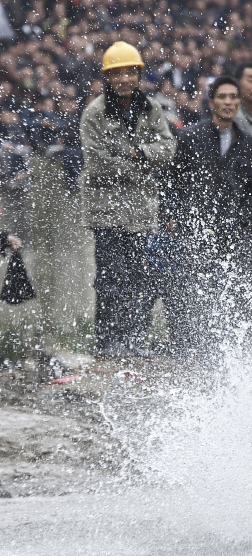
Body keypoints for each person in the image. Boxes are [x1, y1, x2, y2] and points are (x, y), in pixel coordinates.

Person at [80, 41, 176, 357]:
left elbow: (167, 147)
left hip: (139, 211)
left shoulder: (151, 108)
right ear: (108, 77)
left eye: (130, 72)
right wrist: (138, 165)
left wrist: (139, 153)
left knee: (137, 277)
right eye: (118, 73)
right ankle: (107, 342)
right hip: (105, 210)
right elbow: (97, 162)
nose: (124, 79)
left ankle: (133, 340)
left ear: (139, 75)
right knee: (110, 278)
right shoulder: (94, 113)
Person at [160, 76, 252, 356]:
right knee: (188, 290)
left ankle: (222, 349)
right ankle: (184, 349)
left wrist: (244, 222)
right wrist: (172, 215)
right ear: (211, 102)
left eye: (233, 97)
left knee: (227, 290)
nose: (229, 102)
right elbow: (171, 180)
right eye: (222, 97)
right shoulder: (190, 137)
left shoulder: (246, 141)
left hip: (231, 234)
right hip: (193, 230)